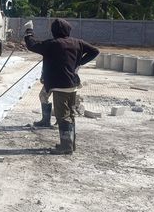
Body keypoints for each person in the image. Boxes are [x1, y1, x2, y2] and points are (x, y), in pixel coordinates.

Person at [24, 18, 99, 154]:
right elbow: (95, 51)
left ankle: (66, 147)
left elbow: (32, 45)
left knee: (62, 115)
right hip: (73, 85)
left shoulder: (52, 44)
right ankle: (70, 144)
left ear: (54, 31)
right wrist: (79, 62)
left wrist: (29, 31)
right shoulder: (78, 43)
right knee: (70, 114)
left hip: (60, 86)